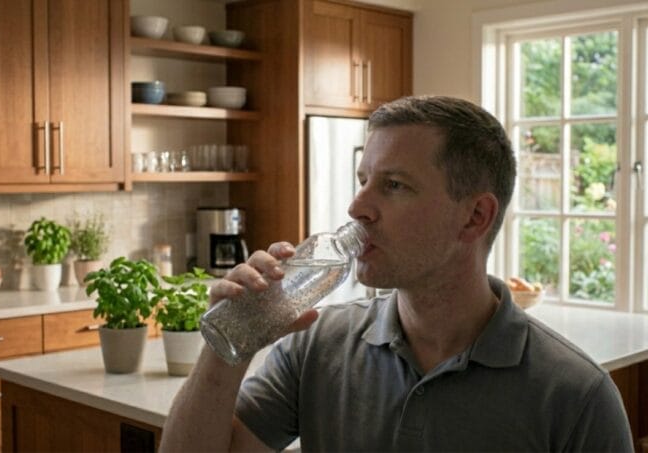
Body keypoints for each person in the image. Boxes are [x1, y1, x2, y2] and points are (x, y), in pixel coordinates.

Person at [160, 96, 633, 452]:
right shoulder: (316, 347)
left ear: (474, 218)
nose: (357, 206)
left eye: (394, 185)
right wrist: (226, 351)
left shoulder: (577, 396)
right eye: (364, 180)